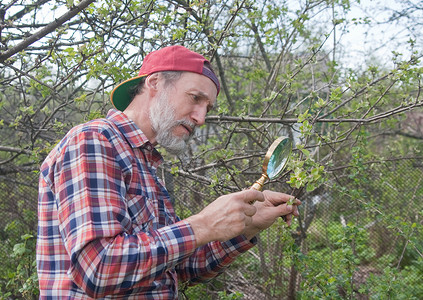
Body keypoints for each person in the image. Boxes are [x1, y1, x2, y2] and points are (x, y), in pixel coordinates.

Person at [37, 45, 300, 299]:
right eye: (195, 98)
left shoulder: (147, 166)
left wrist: (247, 226)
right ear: (155, 83)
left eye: (207, 108)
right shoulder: (95, 140)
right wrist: (203, 224)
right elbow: (98, 269)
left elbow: (181, 269)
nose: (200, 118)